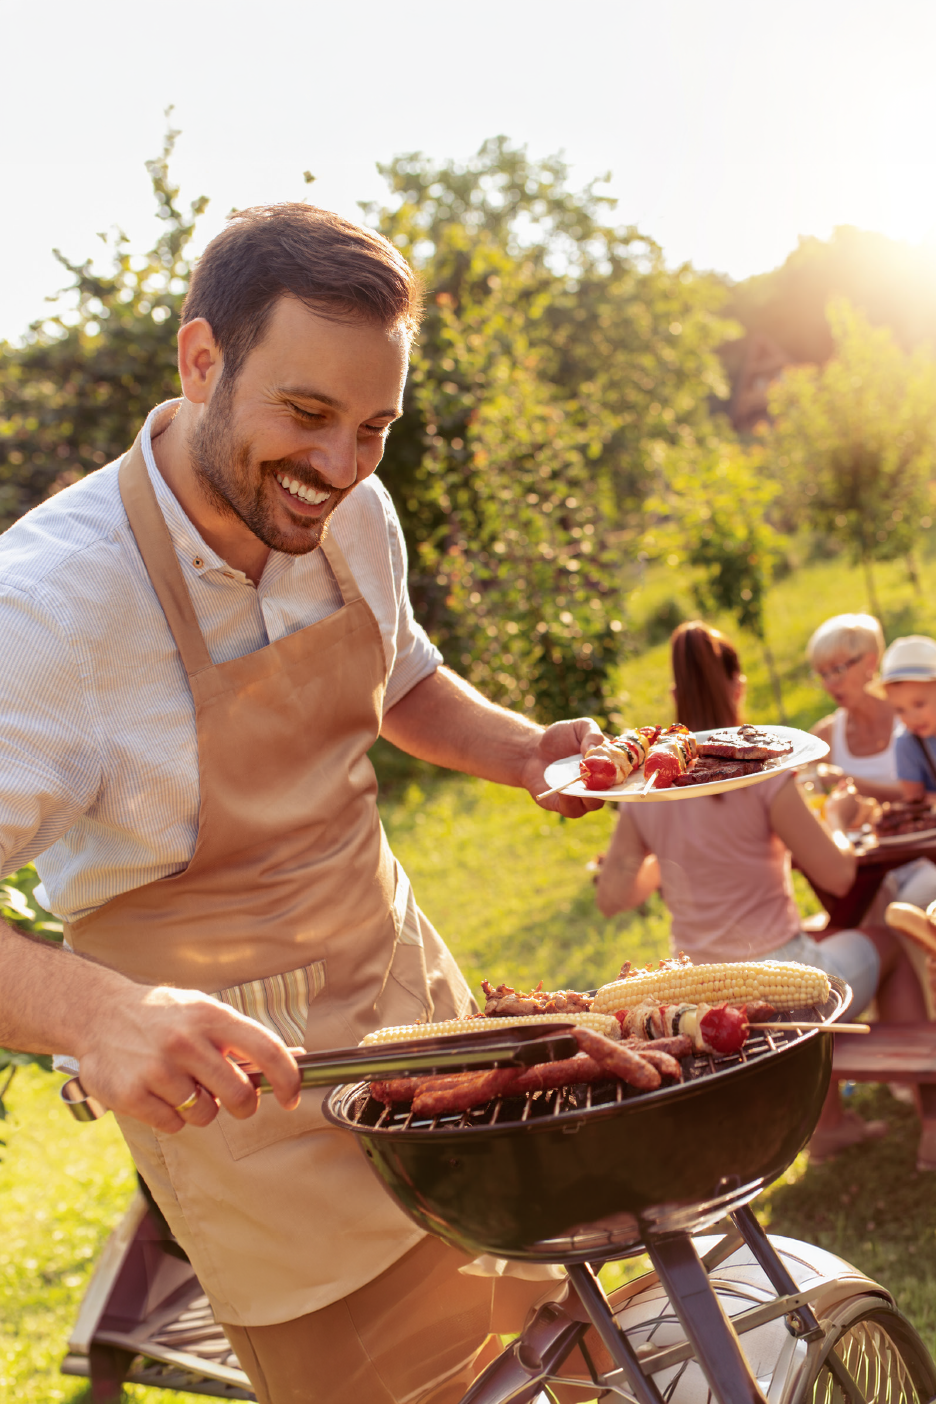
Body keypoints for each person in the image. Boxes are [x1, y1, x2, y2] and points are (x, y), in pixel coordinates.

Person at [0, 204, 606, 1404]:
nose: (340, 467)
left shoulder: (349, 509)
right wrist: (97, 1019)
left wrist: (526, 751)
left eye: (375, 426)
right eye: (309, 416)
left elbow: (402, 676)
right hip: (255, 1123)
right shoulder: (49, 614)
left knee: (562, 1345)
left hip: (430, 1033)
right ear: (201, 360)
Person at [595, 620, 936, 1166]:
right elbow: (839, 875)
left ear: (676, 697)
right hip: (776, 978)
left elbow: (613, 896)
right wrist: (844, 819)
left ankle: (830, 1126)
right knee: (890, 943)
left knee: (835, 938)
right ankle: (930, 1124)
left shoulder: (646, 791)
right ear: (736, 689)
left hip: (696, 991)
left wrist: (671, 860)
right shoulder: (762, 774)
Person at [808, 616, 936, 917]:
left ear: (870, 662)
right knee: (866, 904)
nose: (831, 683)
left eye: (838, 669)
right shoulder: (823, 737)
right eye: (822, 674)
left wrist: (851, 782)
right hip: (877, 858)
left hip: (920, 856)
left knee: (902, 906)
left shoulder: (911, 717)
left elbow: (913, 802)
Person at [880, 634, 936, 800]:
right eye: (900, 710)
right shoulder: (907, 743)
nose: (911, 718)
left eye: (919, 704)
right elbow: (914, 798)